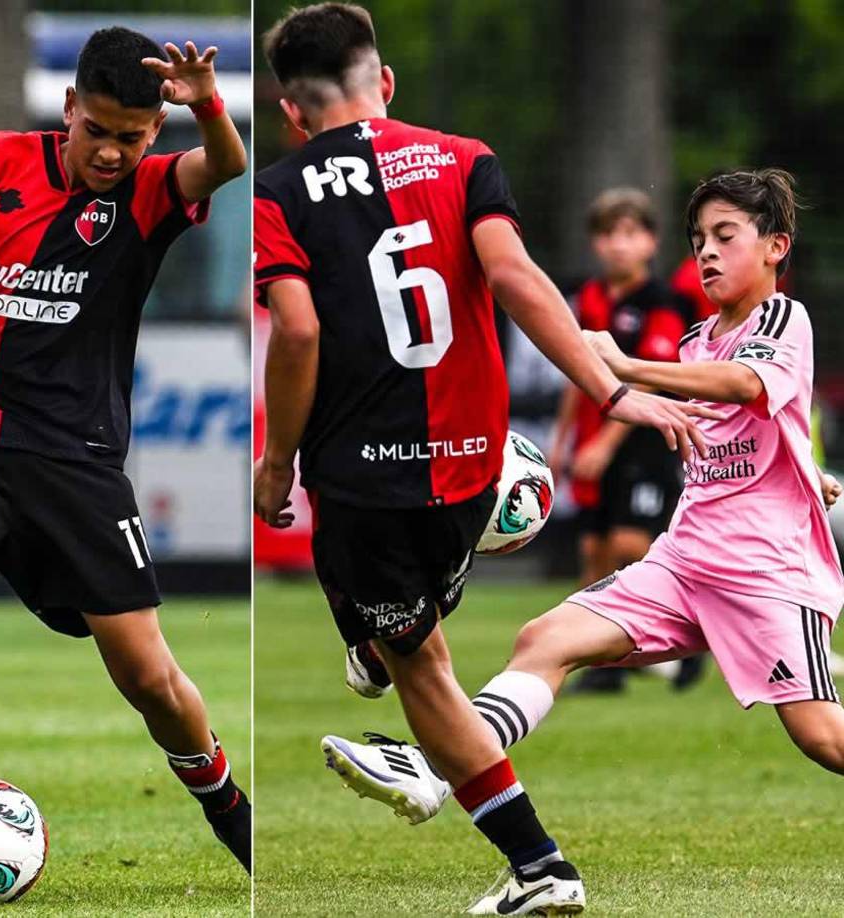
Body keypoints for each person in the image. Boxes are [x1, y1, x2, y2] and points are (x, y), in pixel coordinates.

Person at [253, 4, 715, 914]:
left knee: (418, 664)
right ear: (383, 83)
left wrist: (278, 465)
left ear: (292, 111)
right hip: (473, 470)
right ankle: (379, 652)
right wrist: (611, 390)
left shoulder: (278, 190)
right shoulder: (464, 159)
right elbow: (516, 280)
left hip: (365, 481)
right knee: (406, 630)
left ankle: (539, 864)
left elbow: (297, 330)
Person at [332, 168, 844, 888]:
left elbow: (749, 387)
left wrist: (627, 365)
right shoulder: (700, 339)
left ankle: (442, 763)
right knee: (544, 639)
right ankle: (435, 767)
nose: (707, 252)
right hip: (687, 559)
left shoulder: (780, 320)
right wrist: (802, 467)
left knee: (822, 735)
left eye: (726, 236)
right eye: (699, 239)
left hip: (766, 571)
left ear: (775, 247)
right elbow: (751, 424)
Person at [0, 27, 251, 895]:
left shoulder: (149, 192)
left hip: (79, 463)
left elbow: (223, 165)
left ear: (152, 135)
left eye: (130, 137)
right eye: (97, 128)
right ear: (68, 108)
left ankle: (230, 809)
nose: (110, 151)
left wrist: (207, 106)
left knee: (147, 674)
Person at [546, 188, 702, 693]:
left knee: (631, 544)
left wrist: (605, 446)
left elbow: (651, 380)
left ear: (651, 243)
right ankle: (602, 667)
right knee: (593, 550)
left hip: (646, 441)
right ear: (596, 243)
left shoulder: (664, 302)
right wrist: (562, 439)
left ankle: (689, 640)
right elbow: (578, 372)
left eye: (631, 234)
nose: (619, 245)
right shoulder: (589, 298)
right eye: (609, 234)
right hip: (594, 443)